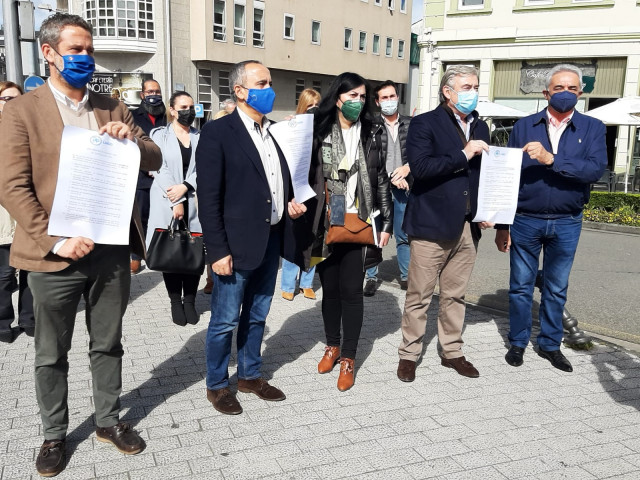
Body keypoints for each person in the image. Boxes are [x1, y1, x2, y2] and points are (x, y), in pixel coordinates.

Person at [0, 13, 161, 477]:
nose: (85, 57)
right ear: (49, 53)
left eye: (88, 49)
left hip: (110, 251)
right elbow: (11, 187)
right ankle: (54, 434)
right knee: (51, 351)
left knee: (107, 343)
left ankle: (108, 421)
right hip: (53, 255)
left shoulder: (112, 106)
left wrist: (130, 136)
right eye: (75, 49)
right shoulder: (22, 110)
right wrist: (56, 240)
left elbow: (154, 155)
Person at [196, 60, 307, 415]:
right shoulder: (219, 132)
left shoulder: (274, 132)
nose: (269, 89)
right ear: (240, 91)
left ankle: (250, 375)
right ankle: (217, 384)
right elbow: (208, 197)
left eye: (270, 82)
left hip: (270, 237)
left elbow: (275, 180)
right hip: (234, 243)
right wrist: (217, 250)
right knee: (225, 320)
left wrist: (288, 202)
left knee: (258, 314)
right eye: (262, 83)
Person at [495, 64, 607, 373]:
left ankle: (549, 345)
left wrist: (552, 159)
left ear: (581, 92)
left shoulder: (593, 127)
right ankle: (517, 342)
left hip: (567, 220)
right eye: (559, 88)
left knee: (556, 288)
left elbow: (595, 170)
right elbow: (509, 175)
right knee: (519, 287)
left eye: (573, 88)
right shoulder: (524, 126)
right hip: (525, 219)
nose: (566, 93)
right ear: (547, 93)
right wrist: (502, 224)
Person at [396, 65, 491, 383]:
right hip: (431, 225)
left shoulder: (481, 126)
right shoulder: (425, 123)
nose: (473, 92)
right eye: (466, 87)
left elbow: (483, 175)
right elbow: (421, 168)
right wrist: (464, 154)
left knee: (455, 294)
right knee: (419, 295)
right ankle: (409, 355)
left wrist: (487, 208)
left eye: (475, 86)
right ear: (447, 91)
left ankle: (452, 352)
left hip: (467, 226)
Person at [306, 72, 393, 392]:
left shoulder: (373, 130)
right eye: (351, 96)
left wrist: (386, 221)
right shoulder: (318, 129)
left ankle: (349, 358)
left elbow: (381, 178)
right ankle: (332, 345)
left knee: (352, 293)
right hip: (325, 222)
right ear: (337, 98)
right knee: (330, 290)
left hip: (362, 220)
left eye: (361, 96)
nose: (357, 102)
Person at [147, 91, 201, 326]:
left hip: (195, 198)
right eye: (183, 107)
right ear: (172, 110)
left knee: (192, 250)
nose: (188, 111)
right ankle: (174, 301)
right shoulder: (159, 135)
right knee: (171, 251)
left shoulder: (200, 136)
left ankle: (189, 300)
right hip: (167, 198)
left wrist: (187, 185)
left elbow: (207, 167)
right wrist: (176, 199)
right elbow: (159, 168)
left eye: (191, 106)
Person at [364, 80, 412, 296]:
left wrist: (408, 168)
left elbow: (421, 155)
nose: (389, 101)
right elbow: (369, 158)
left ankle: (405, 277)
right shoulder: (370, 126)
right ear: (377, 102)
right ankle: (371, 277)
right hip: (379, 188)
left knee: (403, 234)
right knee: (375, 232)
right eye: (384, 97)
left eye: (392, 96)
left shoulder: (412, 124)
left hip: (405, 187)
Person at [0, 82, 34, 344]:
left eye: (17, 99)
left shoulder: (30, 132)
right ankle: (2, 321)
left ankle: (29, 318)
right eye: (6, 98)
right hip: (2, 216)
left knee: (31, 270)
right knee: (3, 273)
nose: (12, 104)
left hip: (29, 213)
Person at [281, 88, 321, 302]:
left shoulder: (323, 130)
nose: (315, 111)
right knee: (294, 238)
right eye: (310, 107)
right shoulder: (292, 126)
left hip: (317, 191)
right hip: (296, 190)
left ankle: (307, 283)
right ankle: (288, 284)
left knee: (313, 238)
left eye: (318, 106)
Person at [130, 78, 168, 274]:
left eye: (157, 92)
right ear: (143, 95)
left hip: (165, 174)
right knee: (141, 216)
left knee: (162, 215)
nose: (154, 95)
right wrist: (147, 166)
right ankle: (136, 256)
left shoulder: (168, 115)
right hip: (142, 175)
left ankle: (159, 252)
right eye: (150, 92)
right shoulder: (133, 116)